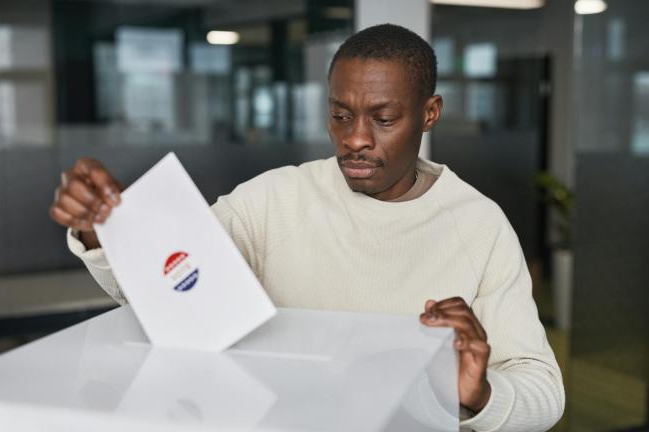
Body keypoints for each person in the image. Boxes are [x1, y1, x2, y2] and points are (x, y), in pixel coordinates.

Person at [49, 24, 564, 432]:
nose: (355, 139)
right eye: (340, 116)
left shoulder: (478, 225)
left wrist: (479, 395)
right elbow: (167, 293)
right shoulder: (273, 199)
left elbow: (544, 393)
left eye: (383, 118)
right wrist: (103, 229)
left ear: (430, 114)